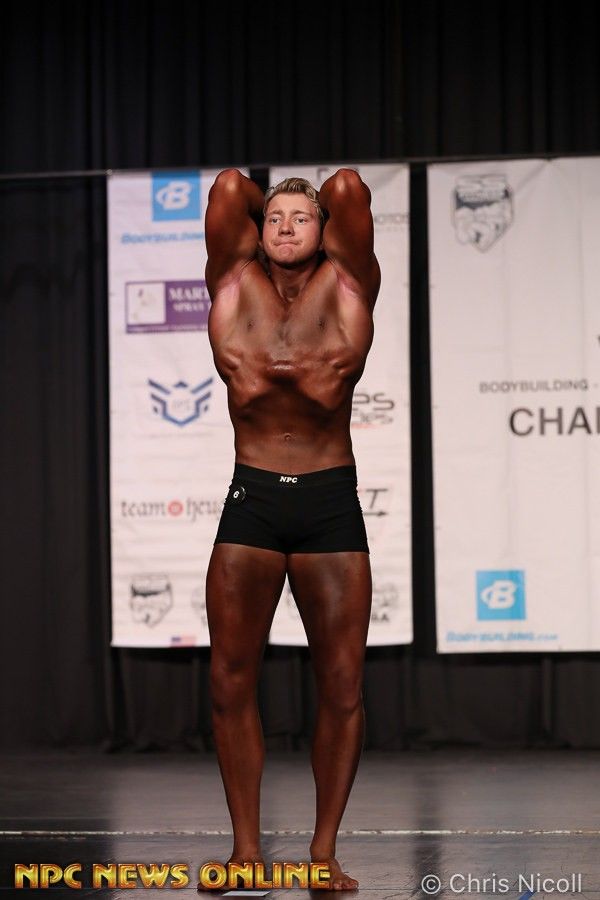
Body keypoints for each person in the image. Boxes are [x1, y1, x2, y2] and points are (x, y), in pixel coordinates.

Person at [204, 166, 380, 891]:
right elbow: (226, 188)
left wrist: (309, 200)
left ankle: (323, 850)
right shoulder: (231, 280)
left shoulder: (349, 283)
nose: (283, 227)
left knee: (341, 685)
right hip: (252, 499)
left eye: (300, 219)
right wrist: (271, 198)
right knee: (229, 680)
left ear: (324, 230)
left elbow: (347, 187)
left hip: (328, 501)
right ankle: (246, 850)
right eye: (273, 217)